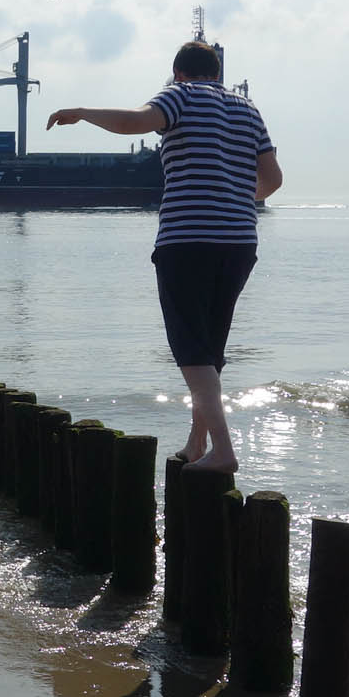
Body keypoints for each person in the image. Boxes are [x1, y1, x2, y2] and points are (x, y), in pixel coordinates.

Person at [46, 38, 281, 473]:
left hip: (187, 240)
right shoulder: (249, 110)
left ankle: (224, 451)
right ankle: (197, 443)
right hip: (239, 243)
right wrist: (235, 199)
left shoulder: (180, 95)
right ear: (218, 73)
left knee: (191, 350)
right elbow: (273, 179)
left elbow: (135, 121)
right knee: (210, 348)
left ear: (179, 73)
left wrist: (82, 112)